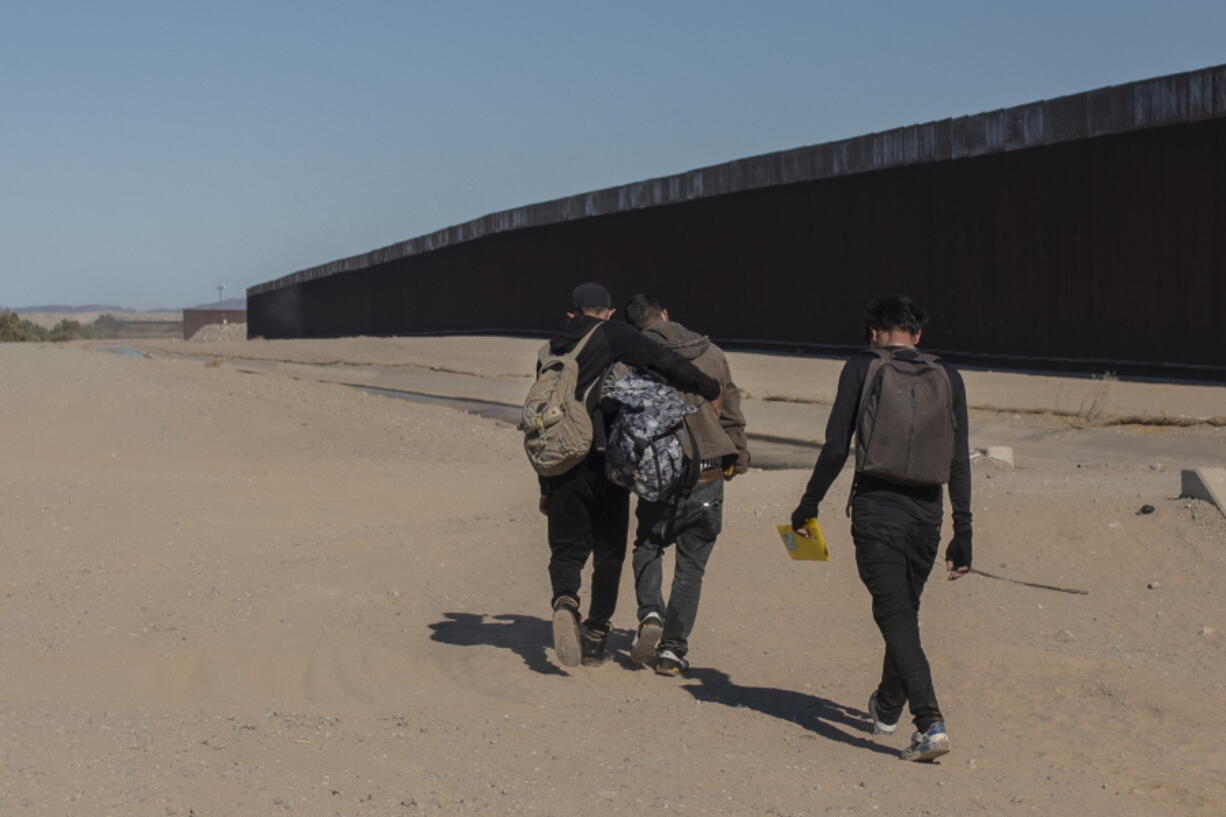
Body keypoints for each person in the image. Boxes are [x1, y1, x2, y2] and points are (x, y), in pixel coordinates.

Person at [789, 295, 972, 762]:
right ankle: (888, 704)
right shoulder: (949, 377)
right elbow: (958, 461)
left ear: (873, 333)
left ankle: (929, 723)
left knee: (897, 617)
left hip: (876, 513)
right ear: (918, 334)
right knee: (903, 613)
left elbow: (835, 448)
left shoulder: (860, 368)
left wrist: (808, 504)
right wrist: (963, 530)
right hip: (927, 518)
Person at [539, 283, 721, 669]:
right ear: (606, 312)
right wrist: (706, 386)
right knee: (609, 552)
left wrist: (544, 485)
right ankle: (596, 637)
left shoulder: (551, 348)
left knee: (567, 547)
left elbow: (542, 420)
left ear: (572, 312)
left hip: (559, 463)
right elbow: (660, 360)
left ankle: (565, 600)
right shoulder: (611, 334)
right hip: (605, 463)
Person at [622, 294, 750, 676]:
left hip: (659, 474)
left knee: (648, 544)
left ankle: (650, 614)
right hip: (709, 472)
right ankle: (672, 652)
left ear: (637, 326)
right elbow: (732, 411)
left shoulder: (635, 357)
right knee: (691, 567)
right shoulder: (713, 352)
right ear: (665, 314)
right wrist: (738, 457)